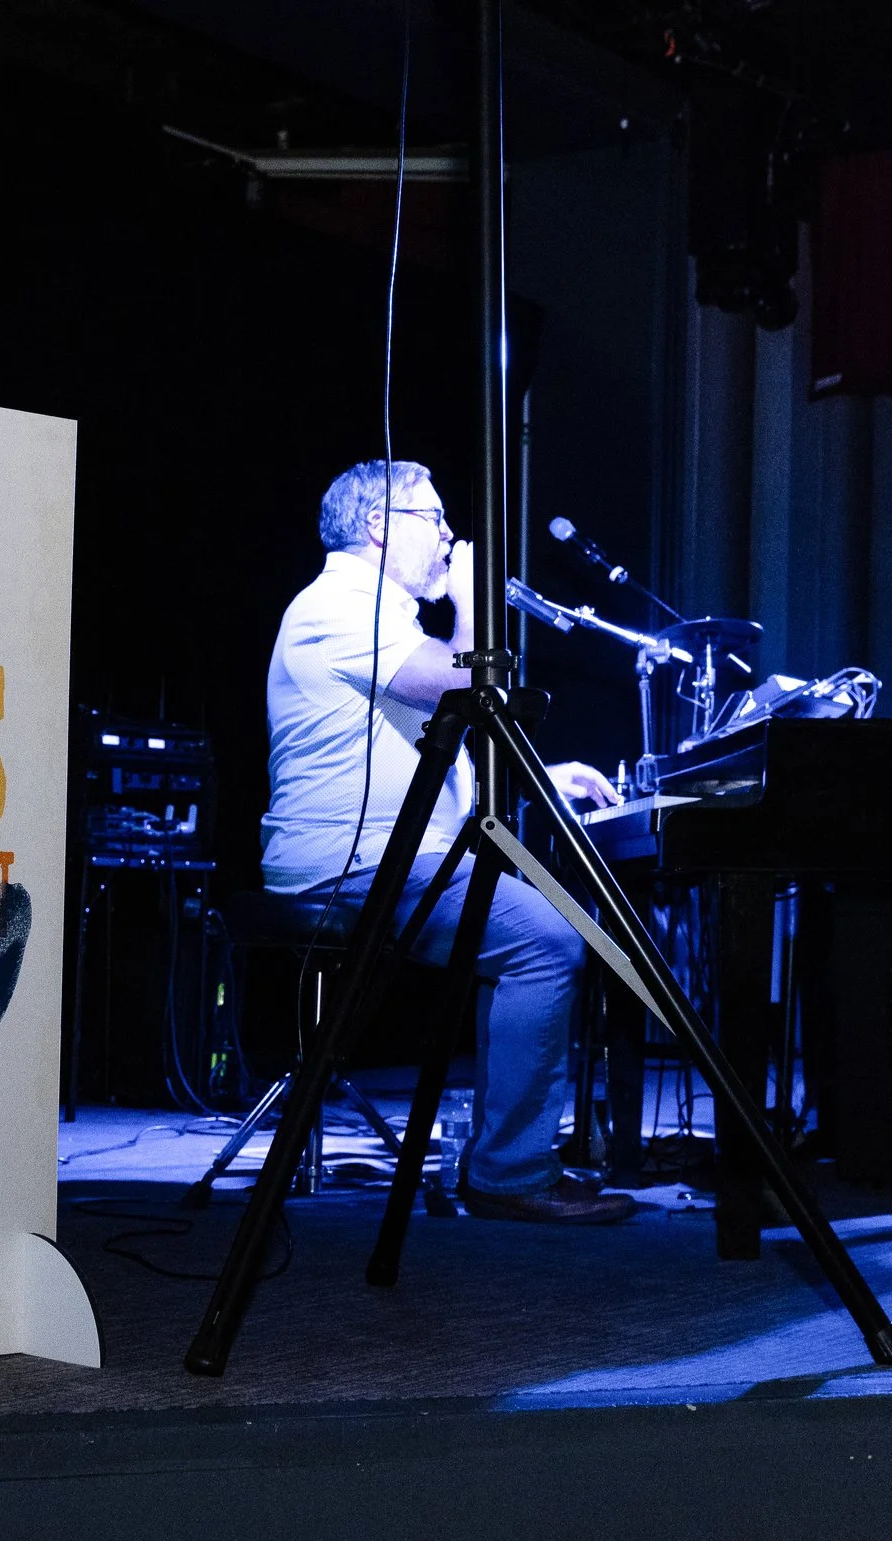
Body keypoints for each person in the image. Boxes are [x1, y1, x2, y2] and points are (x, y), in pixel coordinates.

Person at [261, 459, 634, 1224]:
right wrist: (470, 605)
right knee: (547, 940)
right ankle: (511, 1172)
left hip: (391, 860)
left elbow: (426, 738)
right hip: (351, 866)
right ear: (378, 526)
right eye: (432, 518)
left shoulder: (377, 612)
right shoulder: (340, 605)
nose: (448, 535)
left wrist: (542, 776)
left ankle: (506, 1158)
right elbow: (460, 682)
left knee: (539, 934)